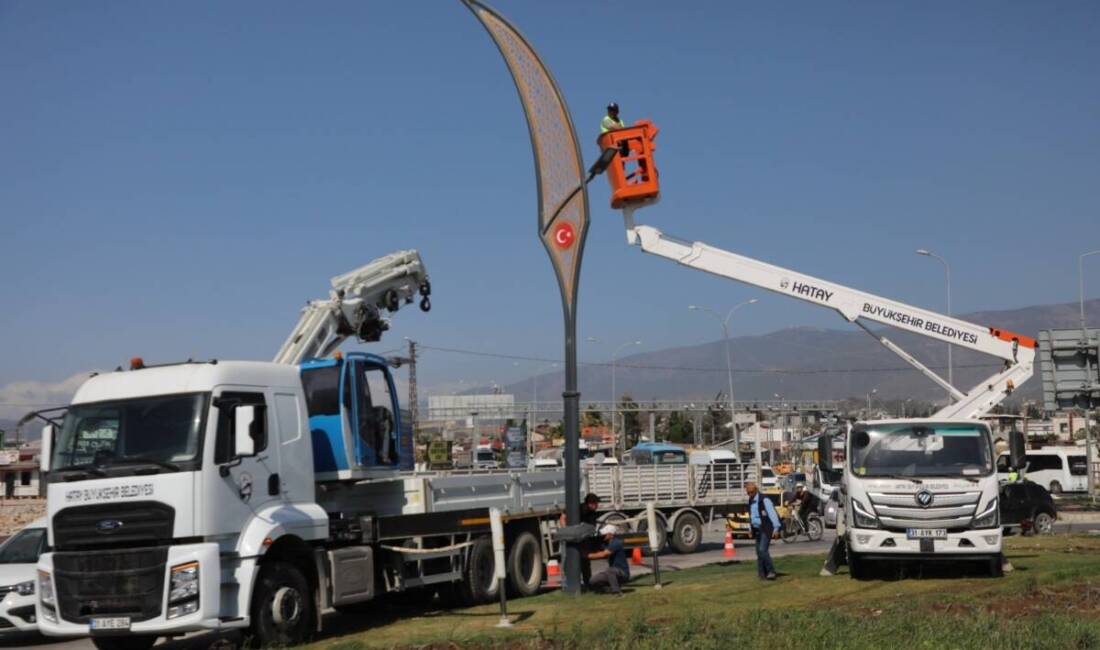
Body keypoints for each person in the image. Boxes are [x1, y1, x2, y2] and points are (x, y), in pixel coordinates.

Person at [560, 493, 602, 589]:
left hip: (584, 539)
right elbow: (563, 517)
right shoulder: (577, 508)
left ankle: (588, 584)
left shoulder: (593, 514)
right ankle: (570, 584)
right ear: (590, 503)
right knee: (570, 561)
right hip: (573, 539)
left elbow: (592, 528)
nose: (597, 505)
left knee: (585, 562)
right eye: (596, 503)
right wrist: (567, 532)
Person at [746, 480, 781, 580]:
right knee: (759, 552)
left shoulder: (764, 500)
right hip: (757, 529)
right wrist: (750, 528)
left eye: (751, 492)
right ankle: (762, 574)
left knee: (762, 549)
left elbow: (772, 515)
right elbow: (751, 516)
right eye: (748, 493)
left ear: (756, 490)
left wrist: (776, 528)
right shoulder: (750, 501)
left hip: (766, 528)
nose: (750, 494)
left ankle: (771, 571)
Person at [587, 524, 629, 595]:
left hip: (622, 573)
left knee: (610, 570)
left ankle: (617, 592)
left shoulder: (616, 543)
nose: (603, 536)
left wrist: (587, 555)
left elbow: (604, 554)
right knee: (592, 580)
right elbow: (599, 549)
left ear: (611, 535)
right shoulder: (606, 543)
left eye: (605, 534)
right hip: (612, 573)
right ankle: (608, 589)